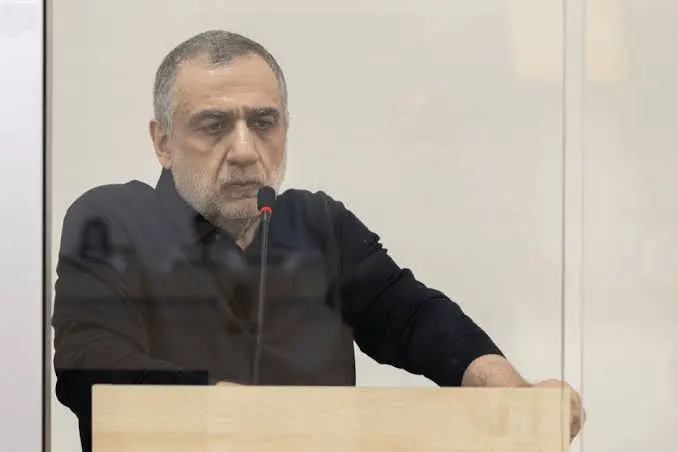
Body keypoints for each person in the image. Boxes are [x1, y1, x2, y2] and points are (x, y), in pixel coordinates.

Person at [52, 30, 583, 452]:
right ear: (163, 141)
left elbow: (411, 315)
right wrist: (226, 411)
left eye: (264, 123)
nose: (245, 150)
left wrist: (508, 390)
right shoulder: (110, 220)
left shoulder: (318, 222)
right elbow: (88, 363)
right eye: (213, 126)